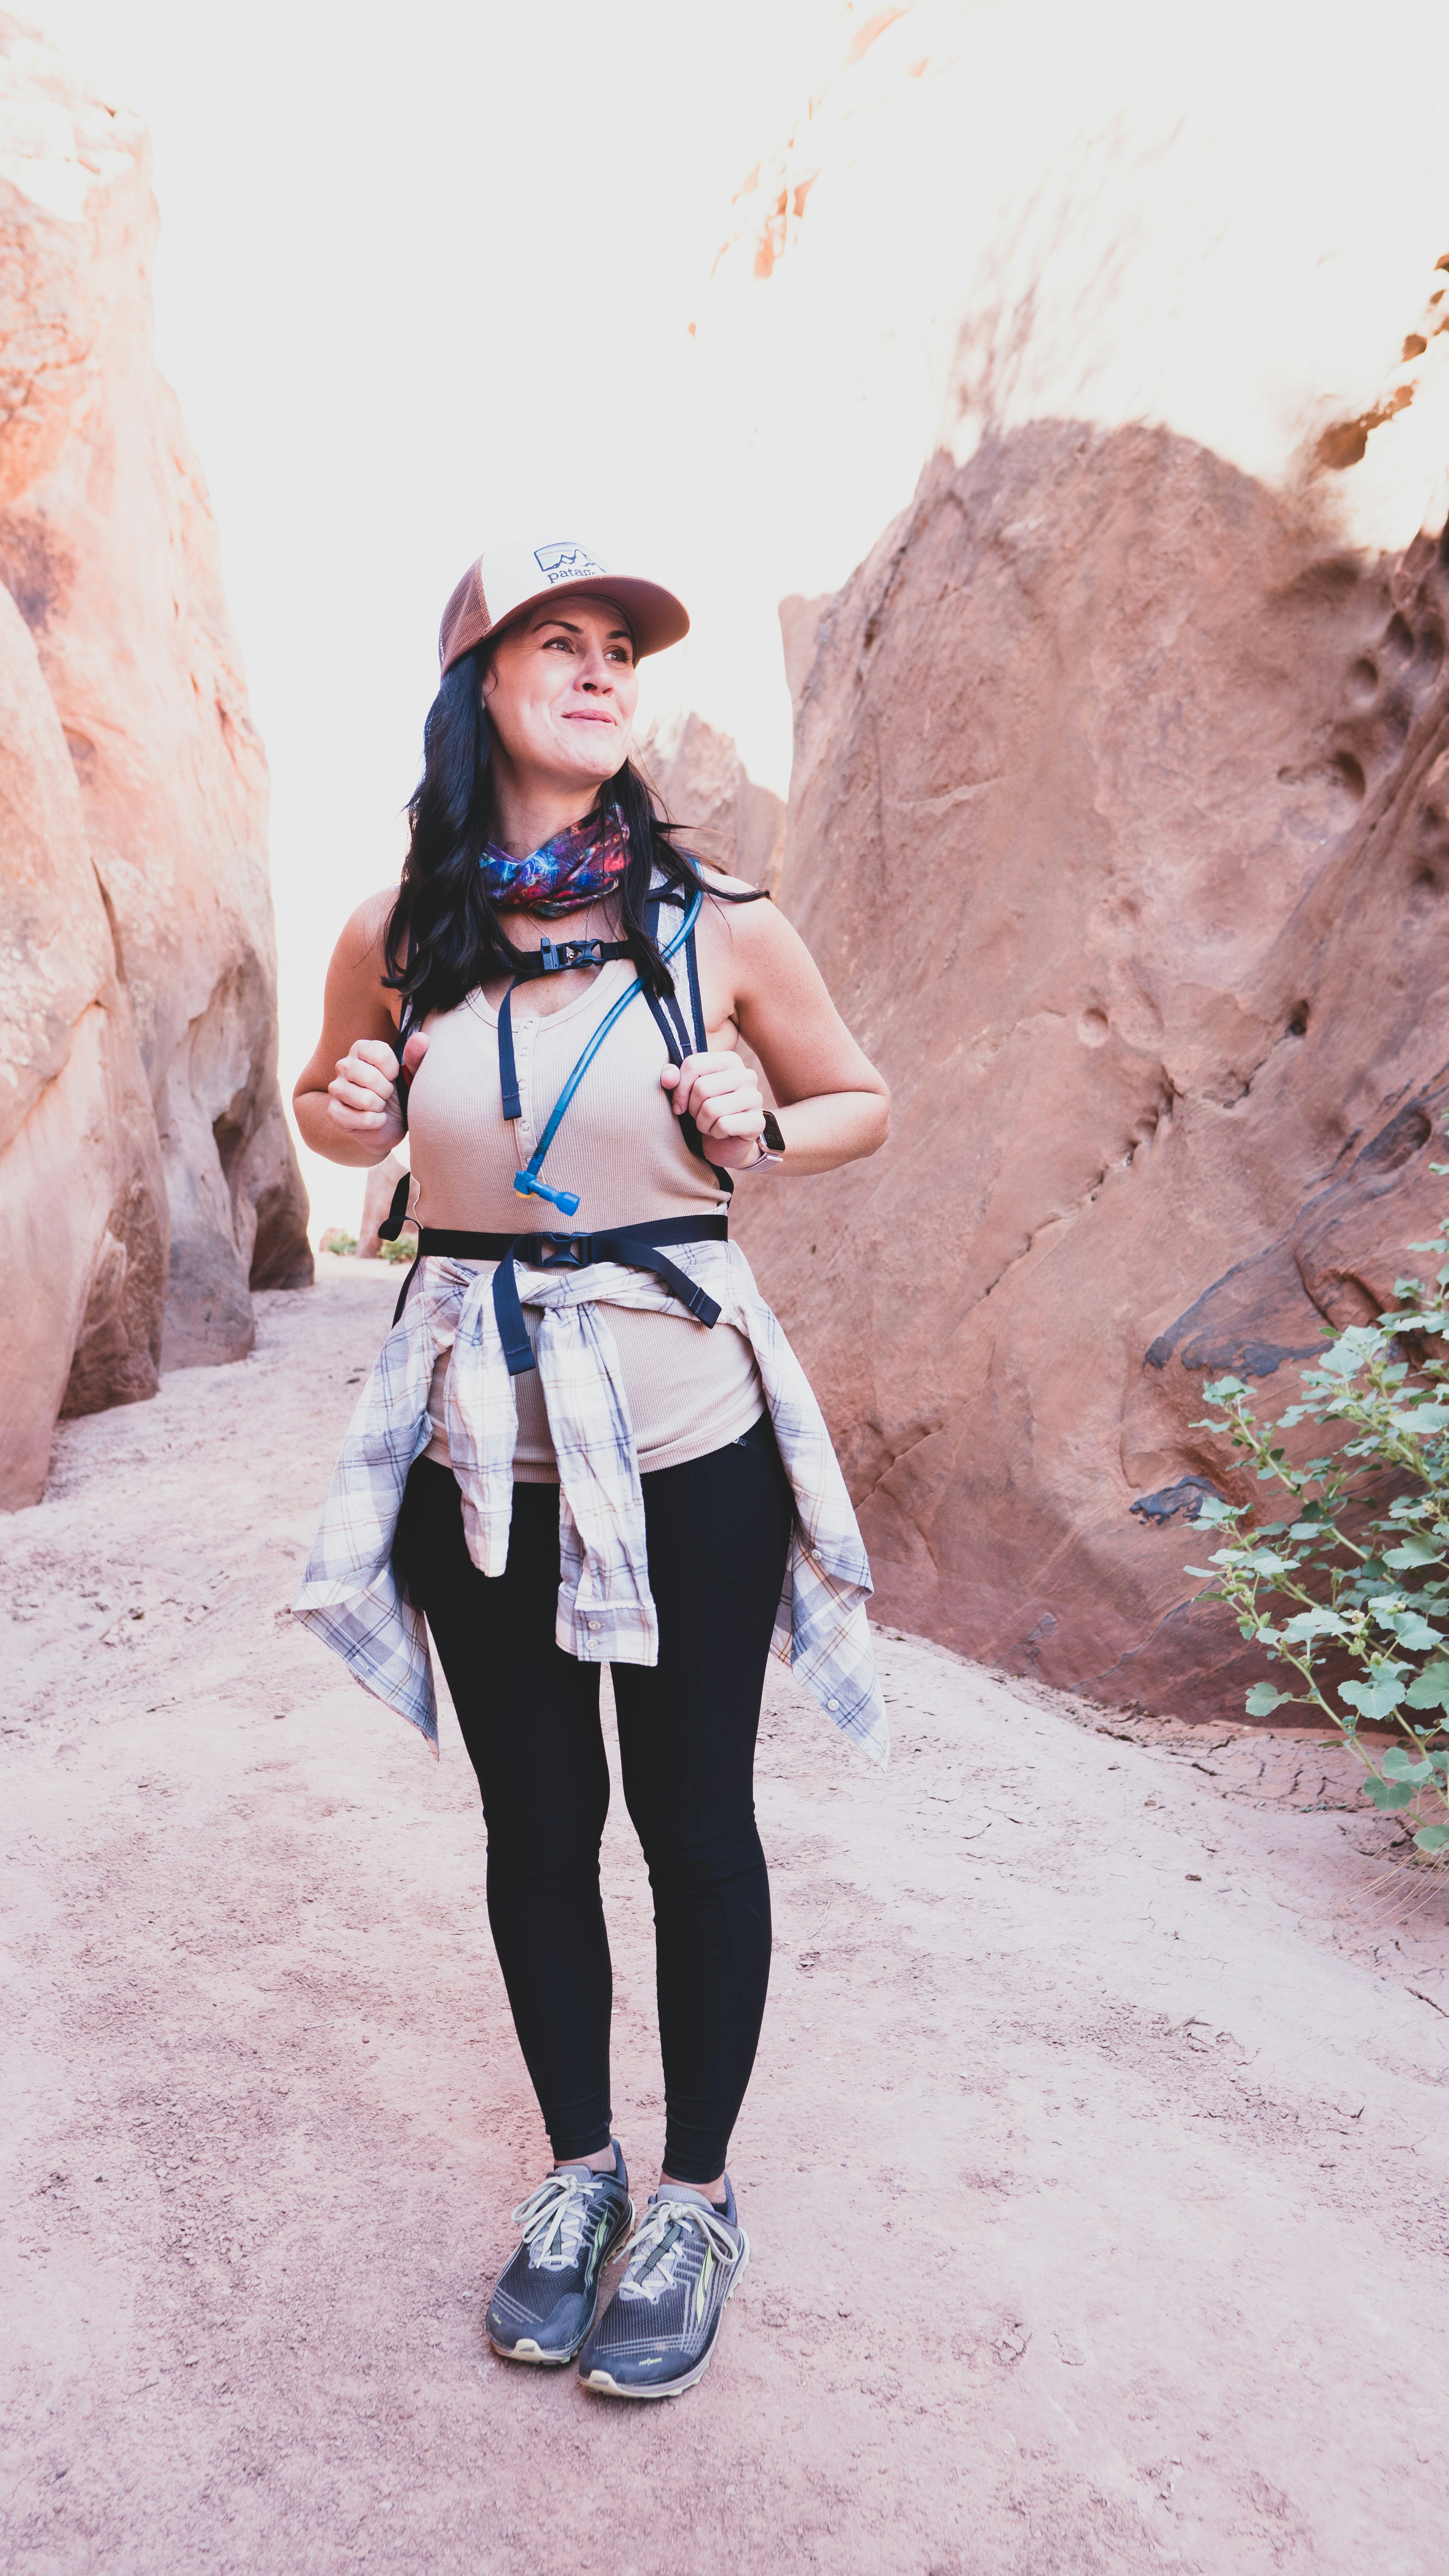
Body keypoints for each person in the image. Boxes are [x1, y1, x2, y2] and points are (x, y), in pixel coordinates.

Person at [293, 536, 890, 2400]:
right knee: (535, 1832)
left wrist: (765, 1118)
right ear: (476, 682)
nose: (597, 663)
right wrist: (356, 1105)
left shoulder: (722, 923)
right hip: (480, 1440)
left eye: (616, 641)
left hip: (687, 1431)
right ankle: (577, 2174)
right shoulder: (404, 926)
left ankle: (695, 2196)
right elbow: (331, 1101)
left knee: (691, 1826)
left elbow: (861, 1098)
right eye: (555, 638)